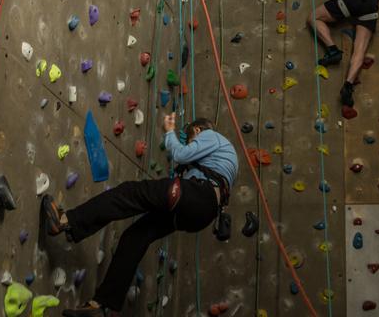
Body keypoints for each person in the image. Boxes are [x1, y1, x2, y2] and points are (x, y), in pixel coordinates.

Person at [43, 113, 239, 317]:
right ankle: (101, 305)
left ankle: (65, 221)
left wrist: (170, 131)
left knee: (127, 194)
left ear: (197, 131)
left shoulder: (211, 136)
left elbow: (181, 154)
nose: (193, 142)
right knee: (134, 239)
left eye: (191, 138)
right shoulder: (228, 161)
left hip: (194, 195)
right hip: (201, 214)